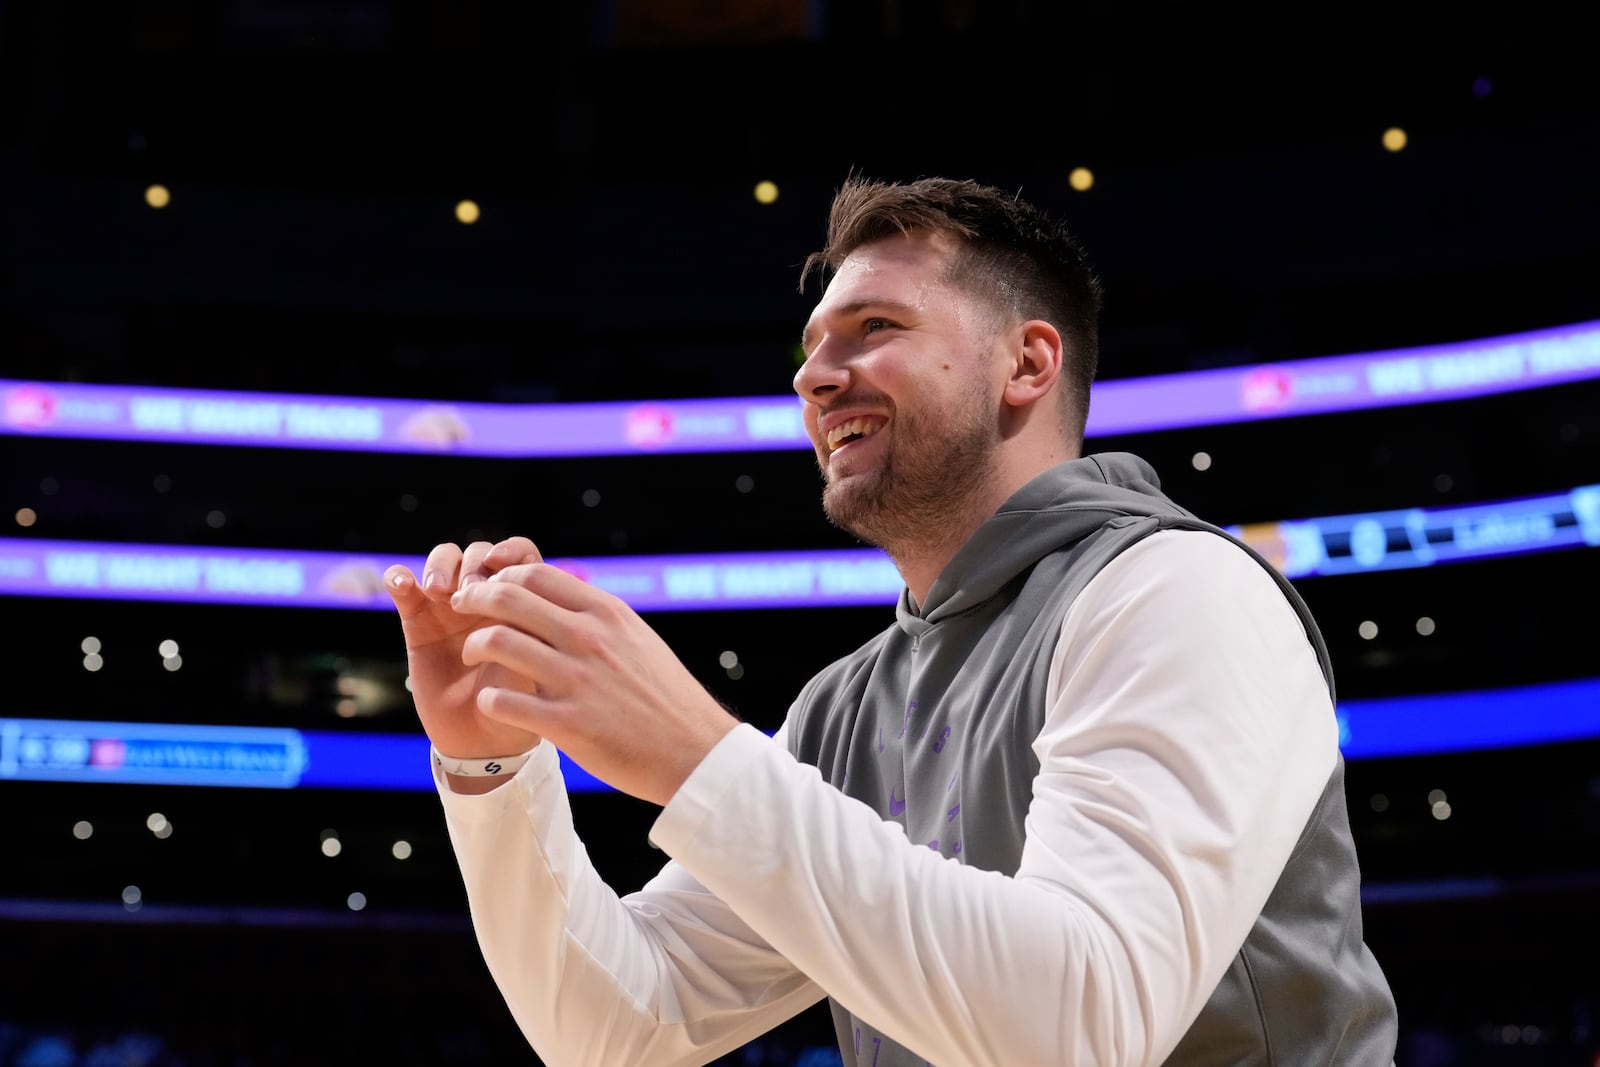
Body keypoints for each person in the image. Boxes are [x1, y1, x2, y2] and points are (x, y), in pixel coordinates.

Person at [382, 175, 1400, 1066]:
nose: (812, 375)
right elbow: (617, 1030)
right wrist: (493, 773)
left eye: (876, 329)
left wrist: (699, 759)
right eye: (810, 347)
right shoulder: (843, 704)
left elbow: (1084, 1028)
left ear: (1027, 364)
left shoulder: (1175, 589)